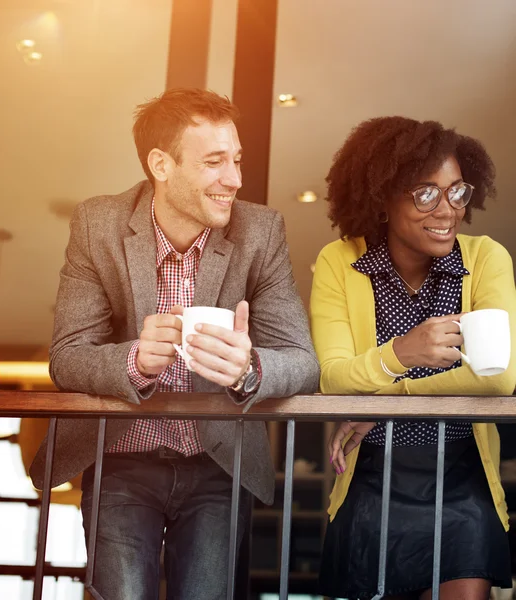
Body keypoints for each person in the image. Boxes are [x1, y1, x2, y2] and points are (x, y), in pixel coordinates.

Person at [29, 87, 319, 600]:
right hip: (120, 459)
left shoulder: (262, 231)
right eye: (214, 162)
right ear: (160, 164)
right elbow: (67, 355)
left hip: (217, 464)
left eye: (236, 160)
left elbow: (302, 363)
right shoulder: (99, 224)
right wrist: (134, 360)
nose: (235, 179)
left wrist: (249, 368)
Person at [310, 116, 516, 600]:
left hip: (462, 479)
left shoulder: (485, 259)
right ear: (382, 198)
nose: (447, 210)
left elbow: (498, 377)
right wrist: (402, 352)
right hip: (373, 477)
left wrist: (388, 396)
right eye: (426, 193)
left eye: (457, 192)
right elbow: (334, 378)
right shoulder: (341, 263)